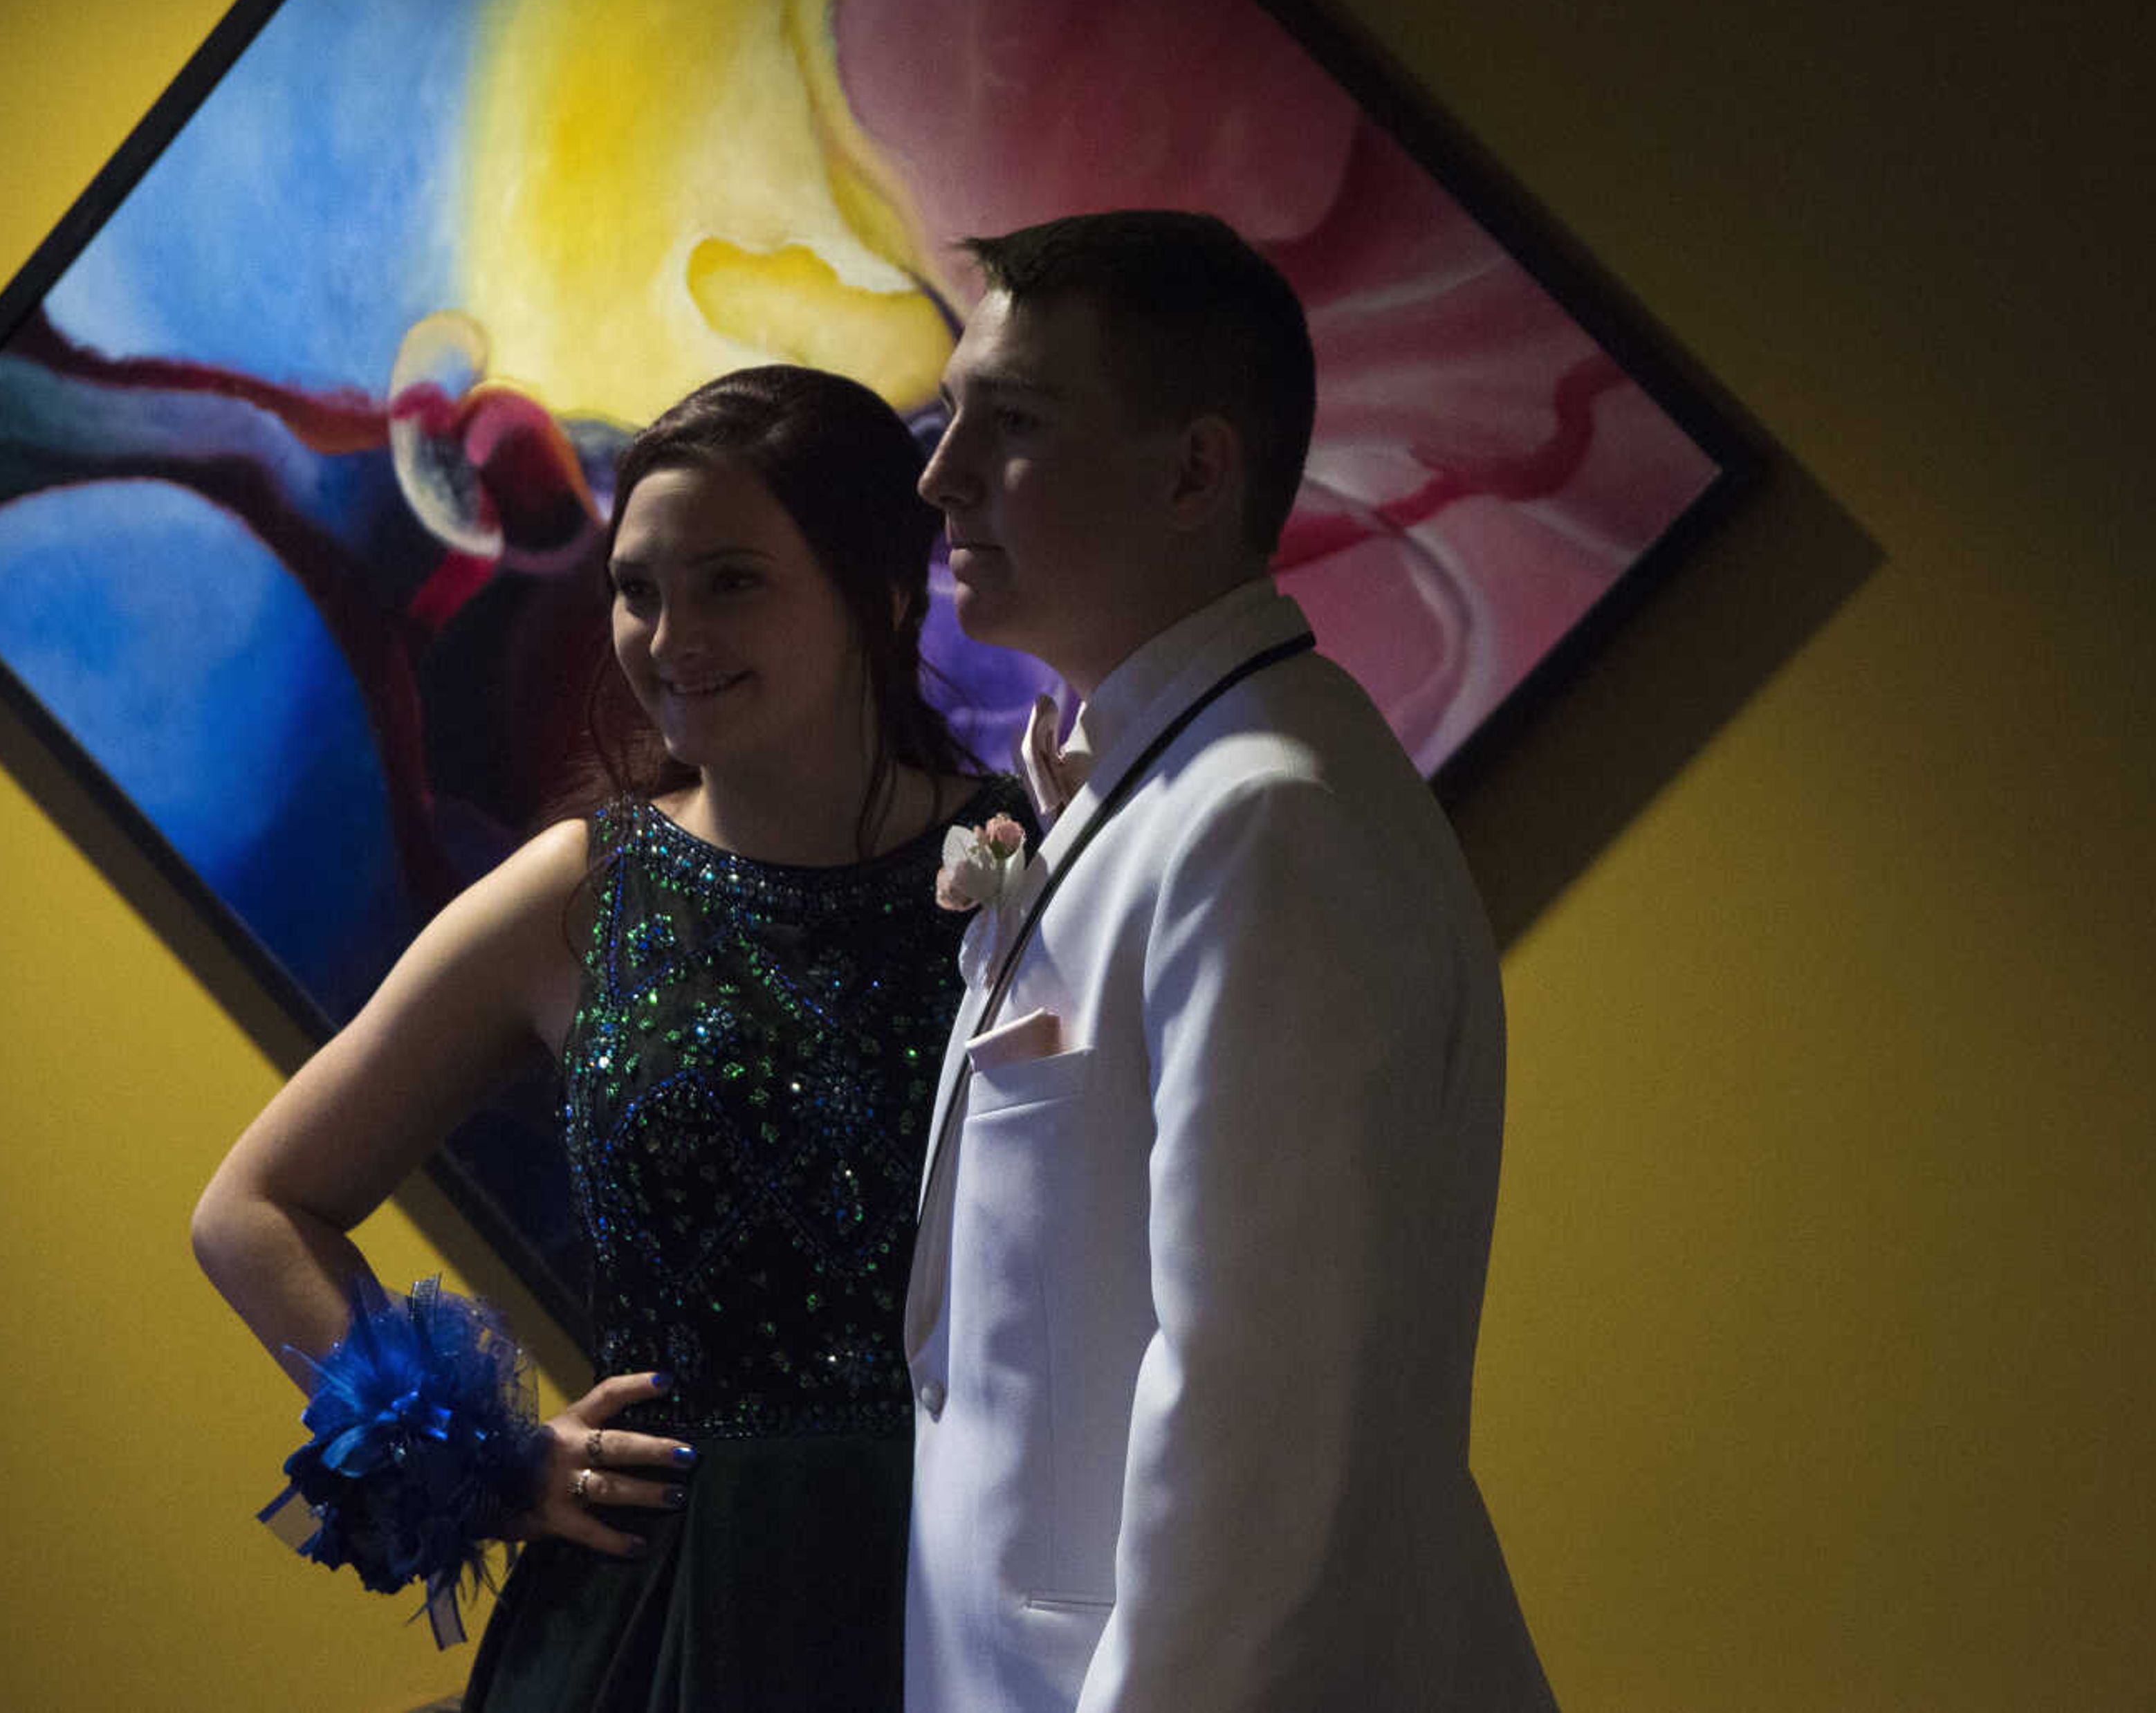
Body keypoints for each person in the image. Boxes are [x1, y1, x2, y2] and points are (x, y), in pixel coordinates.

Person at [194, 365, 1023, 1707]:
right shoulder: (578, 892)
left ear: (877, 587)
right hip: (664, 1608)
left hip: (991, 1583)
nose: (670, 632)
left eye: (732, 580)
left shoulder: (1031, 863)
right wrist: (492, 1461)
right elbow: (252, 1209)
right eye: (639, 586)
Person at [902, 210, 1556, 1710]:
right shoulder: (1151, 787)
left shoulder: (1269, 825)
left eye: (1010, 424)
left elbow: (1258, 1439)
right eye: (951, 420)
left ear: (1196, 470)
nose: (939, 475)